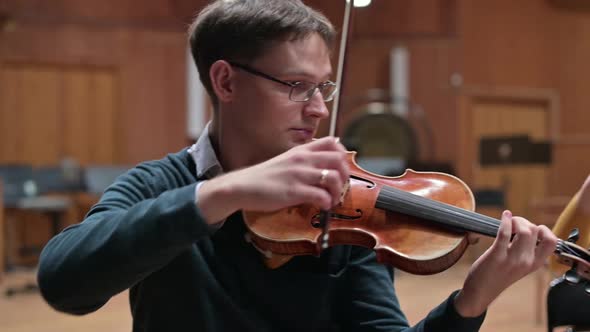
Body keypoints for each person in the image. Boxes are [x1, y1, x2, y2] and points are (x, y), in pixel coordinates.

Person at [37, 1, 558, 331]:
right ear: (226, 82)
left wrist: (470, 302)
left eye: (322, 86)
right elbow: (65, 283)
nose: (319, 107)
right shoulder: (163, 186)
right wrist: (224, 194)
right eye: (296, 87)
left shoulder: (339, 207)